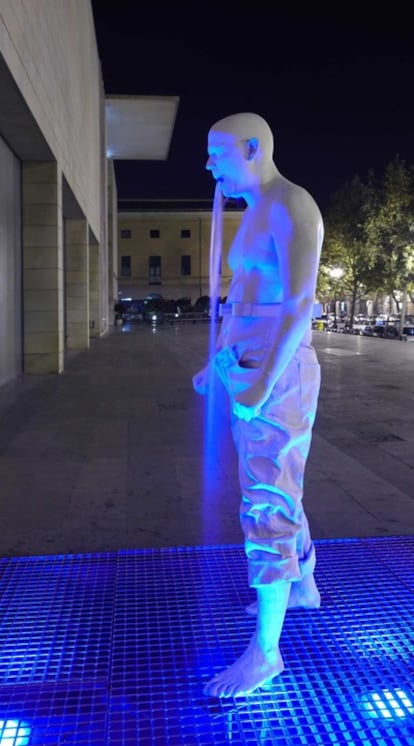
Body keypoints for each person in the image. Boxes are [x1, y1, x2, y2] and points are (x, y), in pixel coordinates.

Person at [192, 112, 324, 698]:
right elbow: (242, 297)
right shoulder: (254, 213)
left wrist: (261, 386)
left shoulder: (293, 205)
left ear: (251, 148)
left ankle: (266, 654)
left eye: (217, 154)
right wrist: (217, 365)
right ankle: (301, 585)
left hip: (273, 376)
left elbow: (298, 305)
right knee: (276, 486)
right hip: (244, 372)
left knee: (267, 499)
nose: (209, 165)